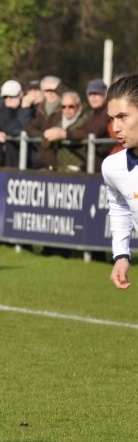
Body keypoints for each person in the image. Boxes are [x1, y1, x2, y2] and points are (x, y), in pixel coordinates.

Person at [101, 73, 138, 290]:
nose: (115, 127)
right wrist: (121, 255)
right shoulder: (112, 167)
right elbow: (120, 207)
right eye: (112, 118)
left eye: (123, 116)